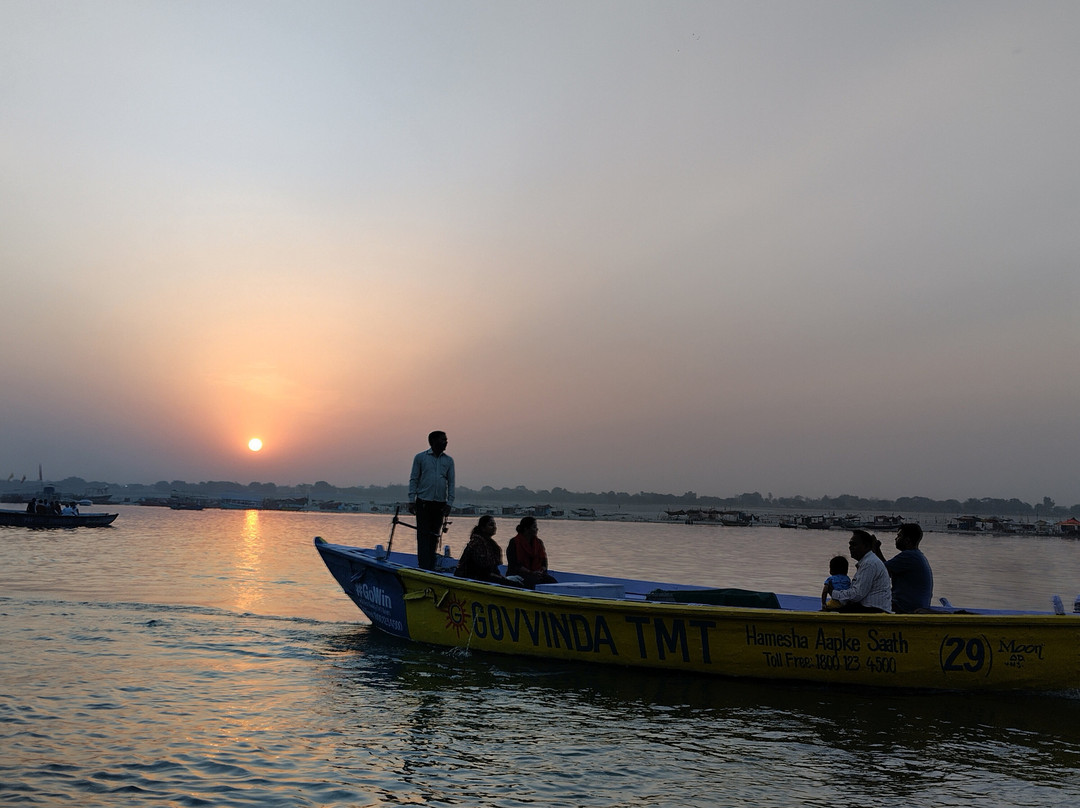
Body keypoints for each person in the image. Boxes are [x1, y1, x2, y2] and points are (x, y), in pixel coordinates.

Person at [407, 430, 455, 570]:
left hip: (440, 503)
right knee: (423, 536)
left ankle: (431, 566)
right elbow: (414, 479)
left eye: (446, 439)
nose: (446, 442)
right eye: (442, 439)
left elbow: (451, 483)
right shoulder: (420, 458)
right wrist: (411, 499)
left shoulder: (448, 460)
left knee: (435, 535)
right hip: (423, 502)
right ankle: (423, 566)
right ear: (433, 442)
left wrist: (449, 503)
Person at [824, 529, 892, 612]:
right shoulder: (868, 562)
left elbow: (857, 595)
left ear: (866, 546)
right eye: (850, 544)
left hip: (873, 610)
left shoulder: (869, 564)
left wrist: (833, 593)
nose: (850, 547)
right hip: (870, 608)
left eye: (854, 544)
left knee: (828, 613)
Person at [881, 522, 933, 613]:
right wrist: (876, 549)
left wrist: (873, 549)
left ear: (907, 540)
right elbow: (885, 569)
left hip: (906, 607)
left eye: (899, 536)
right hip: (915, 605)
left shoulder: (909, 556)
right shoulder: (916, 555)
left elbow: (879, 569)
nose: (896, 538)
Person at [455, 515, 517, 585]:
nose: (494, 527)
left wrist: (499, 576)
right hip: (472, 576)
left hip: (484, 575)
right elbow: (480, 568)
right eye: (491, 525)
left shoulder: (491, 544)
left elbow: (493, 567)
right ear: (483, 528)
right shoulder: (477, 543)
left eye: (494, 525)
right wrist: (497, 577)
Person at [506, 516, 557, 589]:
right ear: (526, 529)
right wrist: (531, 572)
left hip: (536, 573)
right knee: (531, 582)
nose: (537, 529)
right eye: (534, 527)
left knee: (552, 581)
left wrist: (542, 570)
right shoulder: (514, 542)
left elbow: (544, 561)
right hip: (518, 574)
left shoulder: (539, 542)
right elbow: (514, 564)